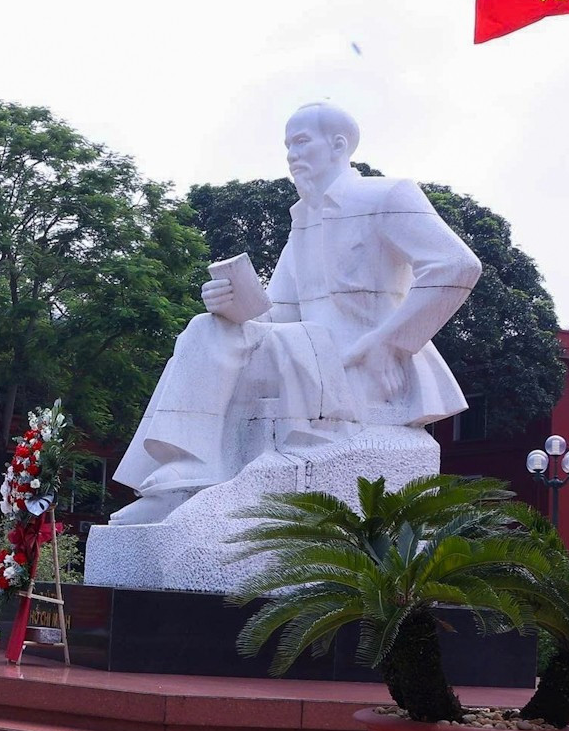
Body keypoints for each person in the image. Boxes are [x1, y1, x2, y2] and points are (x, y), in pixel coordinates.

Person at [109, 102, 483, 524]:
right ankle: (183, 474)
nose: (291, 155)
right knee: (204, 328)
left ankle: (188, 478)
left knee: (229, 335)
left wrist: (390, 344)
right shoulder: (303, 220)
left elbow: (456, 266)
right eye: (288, 145)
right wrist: (233, 306)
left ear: (338, 145)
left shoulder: (387, 195)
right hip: (305, 352)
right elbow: (277, 313)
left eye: (302, 142)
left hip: (359, 361)